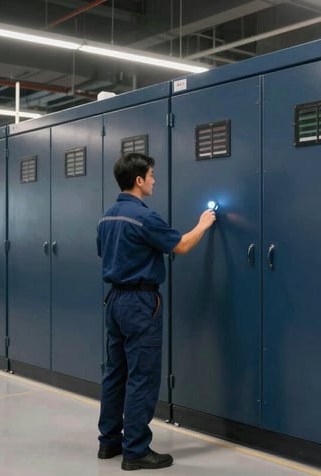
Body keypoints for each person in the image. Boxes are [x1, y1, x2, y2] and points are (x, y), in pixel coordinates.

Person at [96, 152, 216, 471]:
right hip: (140, 304)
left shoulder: (106, 217)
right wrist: (204, 223)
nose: (154, 179)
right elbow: (182, 245)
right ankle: (135, 450)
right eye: (151, 175)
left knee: (115, 373)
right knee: (142, 376)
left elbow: (104, 254)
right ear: (139, 180)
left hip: (115, 302)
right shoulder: (145, 217)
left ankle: (109, 442)